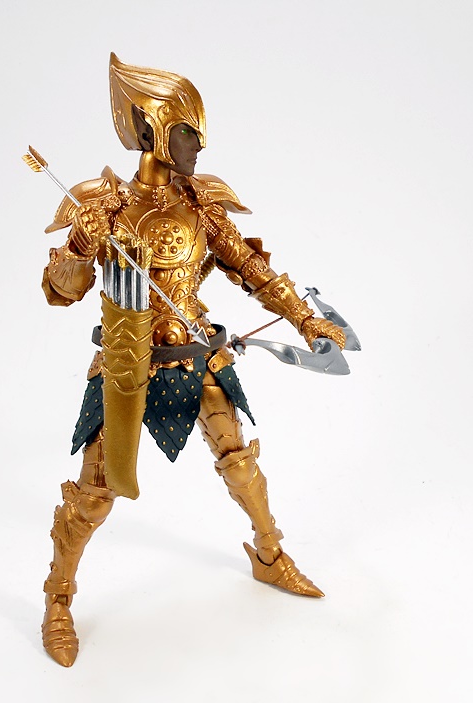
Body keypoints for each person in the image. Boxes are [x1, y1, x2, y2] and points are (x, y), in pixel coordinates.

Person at [39, 53, 346, 667]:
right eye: (187, 133)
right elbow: (59, 289)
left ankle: (268, 554)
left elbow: (252, 270)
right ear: (152, 130)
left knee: (240, 463)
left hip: (198, 356)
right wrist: (82, 250)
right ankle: (58, 600)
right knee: (96, 492)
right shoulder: (102, 205)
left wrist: (306, 317)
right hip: (128, 364)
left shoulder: (203, 203)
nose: (198, 147)